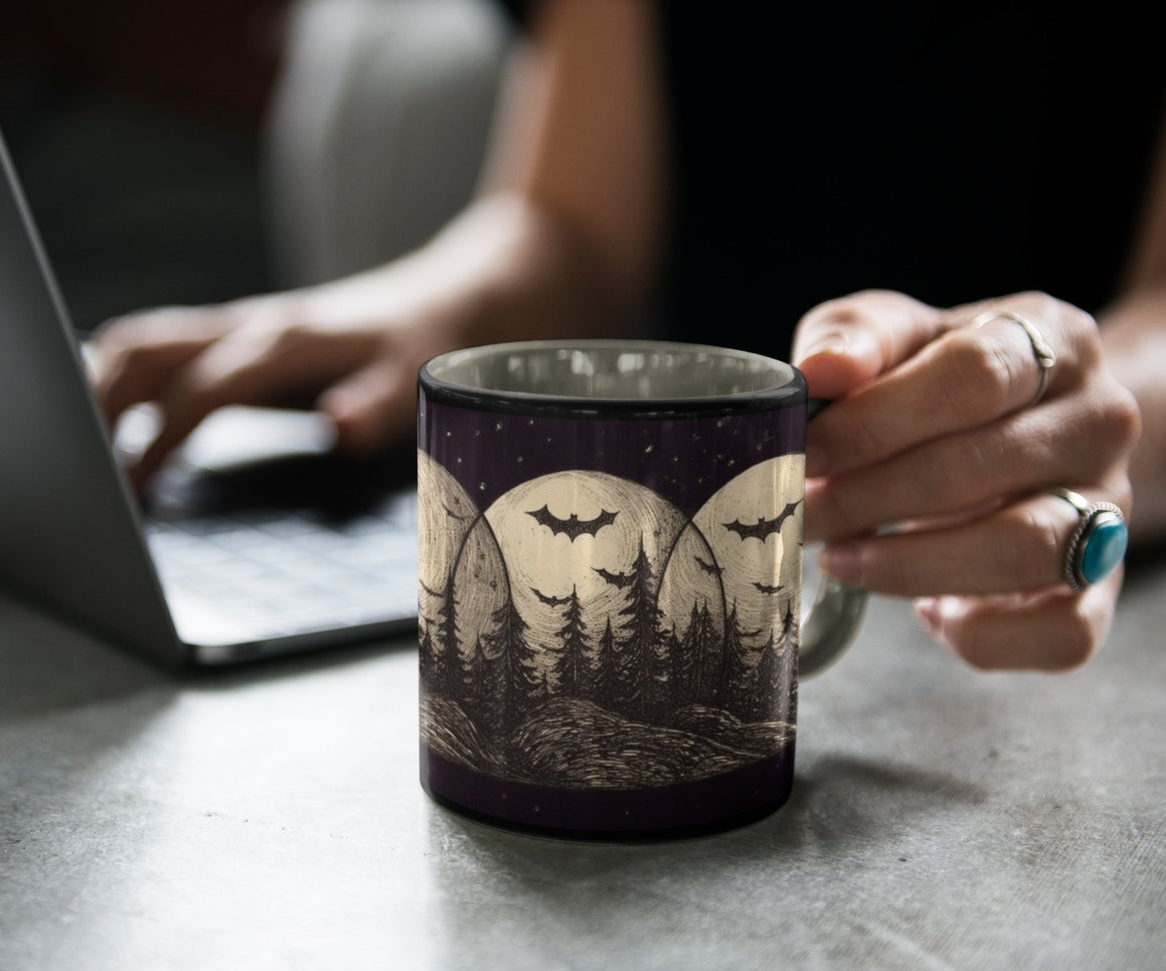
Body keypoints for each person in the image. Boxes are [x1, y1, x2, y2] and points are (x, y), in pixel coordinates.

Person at [89, 0, 1165, 672]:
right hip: (690, 565)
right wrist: (413, 310)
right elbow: (571, 224)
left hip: (1036, 608)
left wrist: (1069, 413)